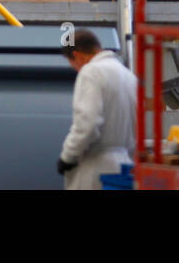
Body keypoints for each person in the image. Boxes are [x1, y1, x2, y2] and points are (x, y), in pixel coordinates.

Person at [57, 28, 137, 190]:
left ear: (77, 55)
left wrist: (67, 157)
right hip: (125, 167)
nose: (76, 69)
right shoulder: (129, 76)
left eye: (73, 64)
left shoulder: (91, 72)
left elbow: (88, 124)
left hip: (95, 169)